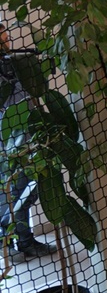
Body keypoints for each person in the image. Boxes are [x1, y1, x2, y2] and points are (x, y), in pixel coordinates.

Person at [0, 23, 56, 257]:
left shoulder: (15, 62)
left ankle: (21, 240)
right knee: (13, 192)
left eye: (6, 37)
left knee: (27, 188)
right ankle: (16, 242)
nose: (7, 41)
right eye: (3, 39)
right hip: (8, 139)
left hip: (27, 134)